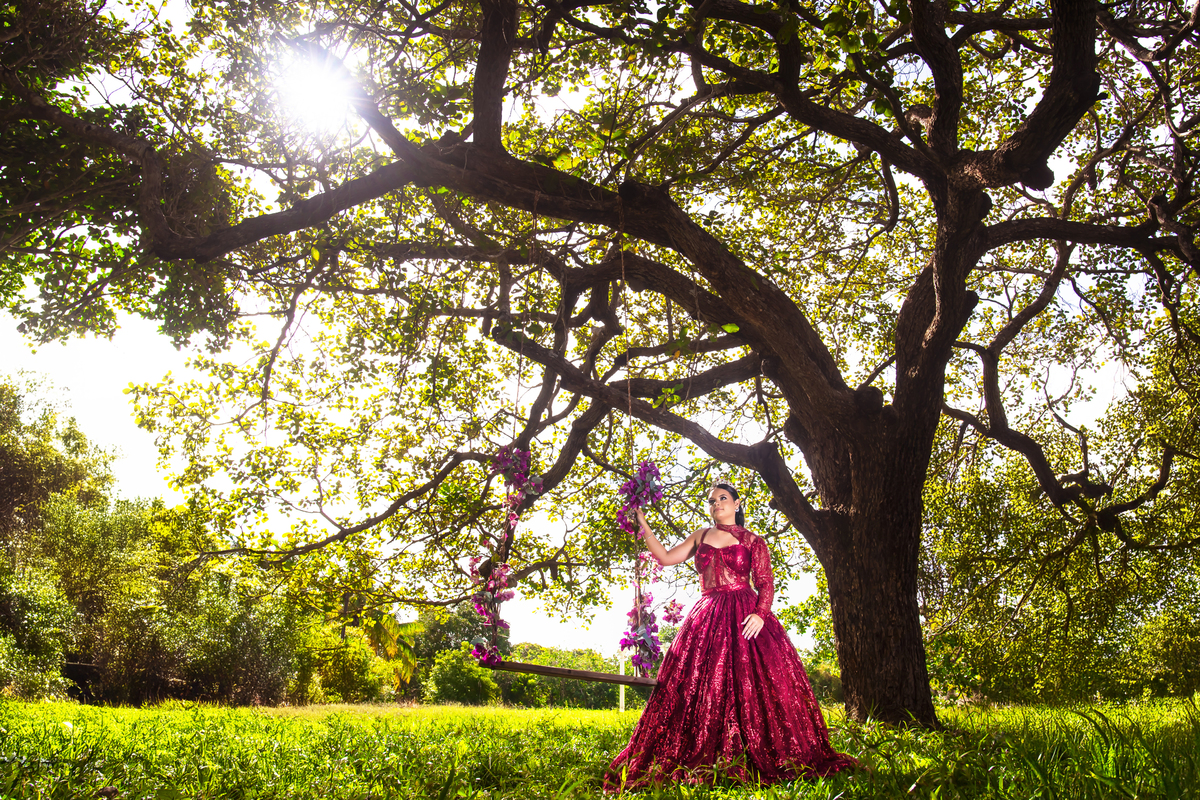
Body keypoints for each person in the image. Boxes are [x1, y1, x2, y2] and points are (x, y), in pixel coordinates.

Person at [605, 482, 857, 790]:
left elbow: (765, 582)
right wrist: (642, 523)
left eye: (723, 498)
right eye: (711, 500)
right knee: (700, 683)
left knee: (755, 683)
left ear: (737, 503)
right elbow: (666, 558)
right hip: (707, 615)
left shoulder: (753, 540)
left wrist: (760, 615)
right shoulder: (701, 536)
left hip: (746, 616)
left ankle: (757, 751)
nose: (716, 504)